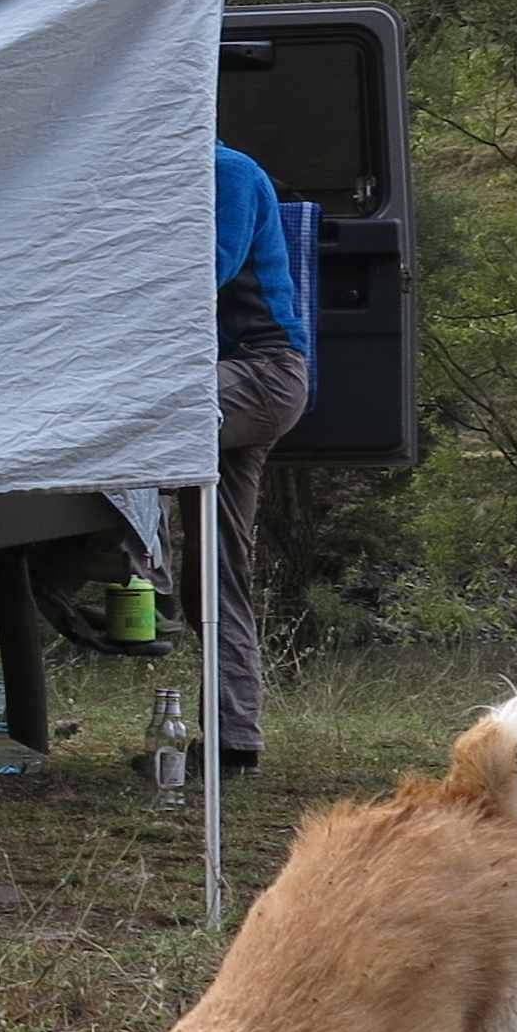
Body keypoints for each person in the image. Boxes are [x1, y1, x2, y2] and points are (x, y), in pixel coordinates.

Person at [203, 142, 314, 771]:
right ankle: (235, 738)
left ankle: (138, 574)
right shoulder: (172, 175)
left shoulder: (228, 171)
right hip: (226, 375)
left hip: (261, 372)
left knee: (136, 413)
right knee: (217, 567)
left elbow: (207, 273)